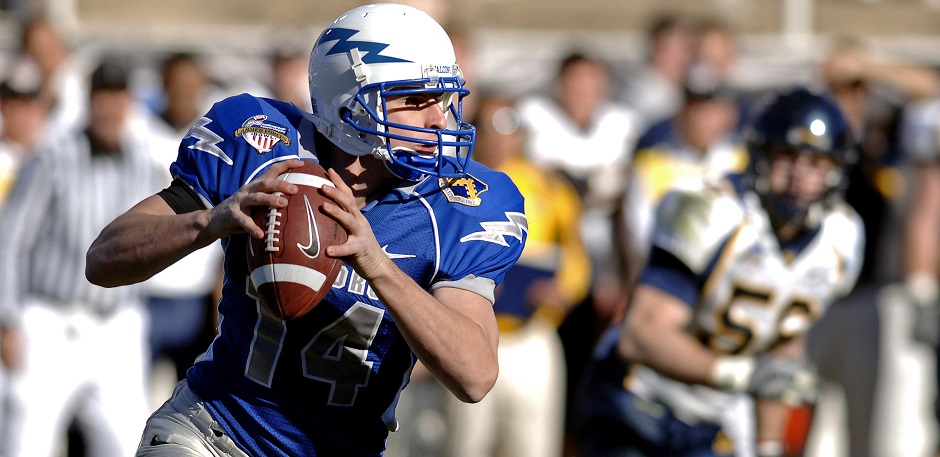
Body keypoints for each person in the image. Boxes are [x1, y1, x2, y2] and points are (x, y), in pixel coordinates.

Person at [85, 4, 527, 457]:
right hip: (213, 433)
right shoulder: (260, 143)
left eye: (444, 99)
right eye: (414, 100)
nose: (439, 119)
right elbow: (102, 260)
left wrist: (379, 267)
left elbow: (474, 375)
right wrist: (208, 221)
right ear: (349, 103)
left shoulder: (463, 203)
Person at [573, 87, 865, 457]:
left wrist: (768, 445)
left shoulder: (842, 238)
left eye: (816, 163)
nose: (799, 176)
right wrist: (739, 375)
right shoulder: (711, 210)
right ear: (760, 155)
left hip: (714, 419)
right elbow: (642, 334)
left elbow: (782, 351)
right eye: (787, 157)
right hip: (637, 400)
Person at [0, 56, 164, 457]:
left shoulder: (143, 163)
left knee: (126, 444)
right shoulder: (52, 157)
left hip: (117, 325)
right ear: (89, 101)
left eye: (117, 96)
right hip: (52, 321)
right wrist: (5, 319)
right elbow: (11, 239)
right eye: (101, 97)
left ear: (129, 102)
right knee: (27, 441)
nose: (109, 108)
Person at [443, 94, 591, 457]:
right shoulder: (449, 182)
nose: (499, 136)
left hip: (530, 334)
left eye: (508, 126)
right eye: (490, 126)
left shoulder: (550, 187)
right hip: (470, 329)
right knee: (466, 444)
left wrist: (563, 290)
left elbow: (576, 257)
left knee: (533, 445)